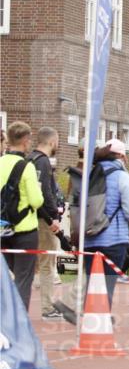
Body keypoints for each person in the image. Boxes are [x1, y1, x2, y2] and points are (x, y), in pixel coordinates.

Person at [83, 139, 129, 306]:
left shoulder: (89, 174)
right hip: (113, 238)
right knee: (107, 286)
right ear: (121, 156)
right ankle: (101, 320)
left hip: (89, 237)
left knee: (92, 284)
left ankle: (89, 319)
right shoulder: (121, 176)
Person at [0, 121, 45, 310]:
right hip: (24, 230)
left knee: (5, 277)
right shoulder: (26, 167)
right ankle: (19, 322)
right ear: (26, 141)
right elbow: (36, 201)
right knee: (23, 278)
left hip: (3, 228)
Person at [27, 127, 65, 320]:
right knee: (47, 263)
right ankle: (47, 307)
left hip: (28, 218)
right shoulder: (42, 162)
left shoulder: (29, 160)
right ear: (52, 141)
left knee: (29, 264)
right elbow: (45, 193)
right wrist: (53, 218)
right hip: (43, 220)